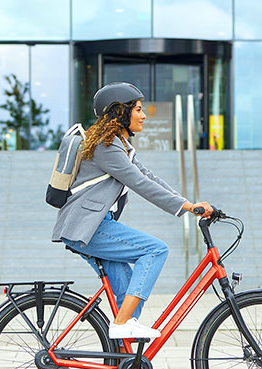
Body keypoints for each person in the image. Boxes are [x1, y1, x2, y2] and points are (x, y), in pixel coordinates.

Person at [52, 82, 212, 341]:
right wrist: (185, 208)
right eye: (138, 109)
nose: (144, 115)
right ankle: (122, 325)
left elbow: (148, 175)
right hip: (90, 226)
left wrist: (187, 203)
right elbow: (140, 183)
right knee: (155, 250)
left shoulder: (118, 145)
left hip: (94, 224)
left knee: (127, 289)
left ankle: (120, 365)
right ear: (119, 112)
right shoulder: (107, 146)